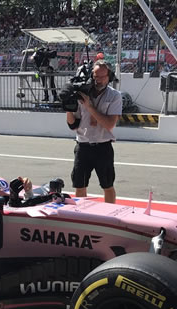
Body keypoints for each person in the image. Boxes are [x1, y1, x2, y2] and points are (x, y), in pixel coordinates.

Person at [65, 60, 122, 203]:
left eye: (102, 77)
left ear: (110, 77)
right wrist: (68, 106)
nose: (99, 80)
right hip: (83, 145)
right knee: (79, 185)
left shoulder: (114, 96)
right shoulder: (82, 93)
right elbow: (72, 125)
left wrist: (90, 107)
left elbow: (109, 125)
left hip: (103, 146)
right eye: (96, 76)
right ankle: (81, 215)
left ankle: (110, 215)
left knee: (107, 185)